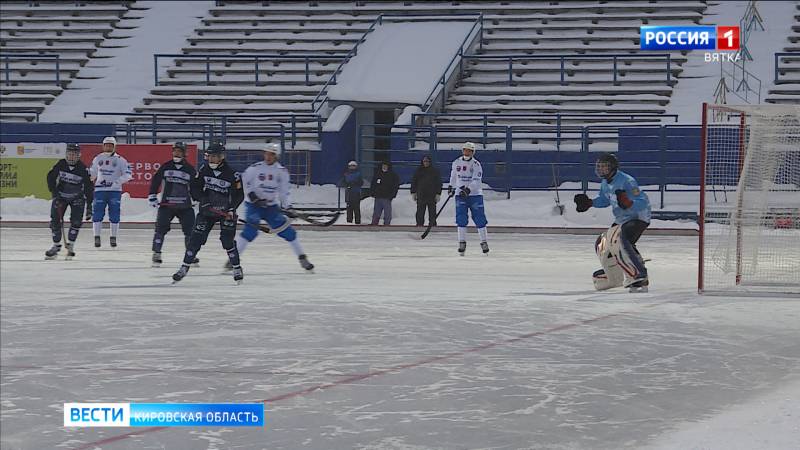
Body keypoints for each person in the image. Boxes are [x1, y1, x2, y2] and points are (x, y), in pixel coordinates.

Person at [574, 153, 651, 292]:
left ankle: (638, 274)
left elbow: (643, 202)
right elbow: (604, 200)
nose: (601, 170)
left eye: (604, 167)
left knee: (620, 240)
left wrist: (629, 203)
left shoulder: (627, 181)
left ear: (613, 167)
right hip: (621, 219)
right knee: (602, 243)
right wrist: (590, 203)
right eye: (599, 167)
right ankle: (613, 276)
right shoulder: (605, 183)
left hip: (637, 218)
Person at [233, 143, 314, 272]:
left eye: (272, 154)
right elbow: (244, 181)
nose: (268, 157)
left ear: (276, 156)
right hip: (254, 206)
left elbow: (284, 192)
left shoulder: (281, 172)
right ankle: (233, 260)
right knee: (250, 231)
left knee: (288, 232)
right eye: (266, 153)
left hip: (271, 206)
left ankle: (302, 258)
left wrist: (288, 207)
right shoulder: (255, 168)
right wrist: (253, 196)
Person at [172, 142, 244, 283]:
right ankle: (184, 267)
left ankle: (236, 267)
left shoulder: (233, 174)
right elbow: (194, 187)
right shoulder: (204, 169)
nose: (211, 159)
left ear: (222, 157)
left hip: (225, 212)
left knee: (227, 241)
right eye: (209, 156)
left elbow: (239, 195)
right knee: (195, 239)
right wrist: (202, 199)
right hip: (207, 212)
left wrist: (231, 208)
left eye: (214, 156)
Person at [148, 142, 197, 266]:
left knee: (190, 231)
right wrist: (152, 195)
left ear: (184, 153)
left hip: (185, 206)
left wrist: (198, 198)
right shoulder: (166, 166)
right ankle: (157, 253)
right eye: (175, 151)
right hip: (167, 205)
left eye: (179, 151)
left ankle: (191, 254)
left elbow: (196, 186)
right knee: (160, 229)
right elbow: (156, 180)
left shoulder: (190, 169)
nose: (176, 153)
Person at [44, 143, 93, 260]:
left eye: (74, 155)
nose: (71, 157)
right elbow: (50, 177)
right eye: (70, 154)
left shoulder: (83, 169)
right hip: (61, 197)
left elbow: (89, 187)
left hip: (77, 198)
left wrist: (89, 206)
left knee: (76, 222)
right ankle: (56, 246)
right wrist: (54, 193)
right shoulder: (61, 164)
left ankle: (70, 245)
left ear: (78, 156)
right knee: (55, 220)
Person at [90, 136, 131, 248]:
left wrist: (117, 182)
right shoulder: (97, 158)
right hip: (100, 190)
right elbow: (92, 172)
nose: (108, 147)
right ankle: (96, 237)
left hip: (114, 191)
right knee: (97, 213)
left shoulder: (120, 160)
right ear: (103, 146)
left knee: (114, 214)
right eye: (106, 145)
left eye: (110, 145)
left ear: (114, 147)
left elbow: (128, 174)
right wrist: (89, 178)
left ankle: (113, 237)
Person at [448, 142, 489, 255]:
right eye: (465, 150)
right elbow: (453, 175)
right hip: (460, 194)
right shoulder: (456, 162)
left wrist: (468, 189)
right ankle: (462, 242)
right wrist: (451, 186)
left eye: (469, 151)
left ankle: (484, 241)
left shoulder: (476, 164)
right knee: (461, 218)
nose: (467, 152)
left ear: (472, 152)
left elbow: (476, 180)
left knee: (479, 218)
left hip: (475, 195)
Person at [410, 155, 442, 227]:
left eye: (427, 161)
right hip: (421, 195)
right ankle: (419, 225)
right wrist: (413, 192)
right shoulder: (418, 171)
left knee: (432, 212)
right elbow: (414, 182)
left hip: (432, 195)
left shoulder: (434, 171)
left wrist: (438, 193)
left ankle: (432, 225)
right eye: (424, 161)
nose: (426, 163)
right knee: (420, 212)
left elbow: (439, 183)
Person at [370, 160, 399, 225]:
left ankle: (387, 223)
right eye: (383, 166)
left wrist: (392, 195)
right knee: (376, 211)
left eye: (386, 166)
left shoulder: (393, 175)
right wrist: (372, 192)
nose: (384, 167)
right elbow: (373, 184)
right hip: (378, 196)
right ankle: (374, 223)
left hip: (387, 197)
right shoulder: (377, 174)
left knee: (387, 212)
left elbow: (395, 186)